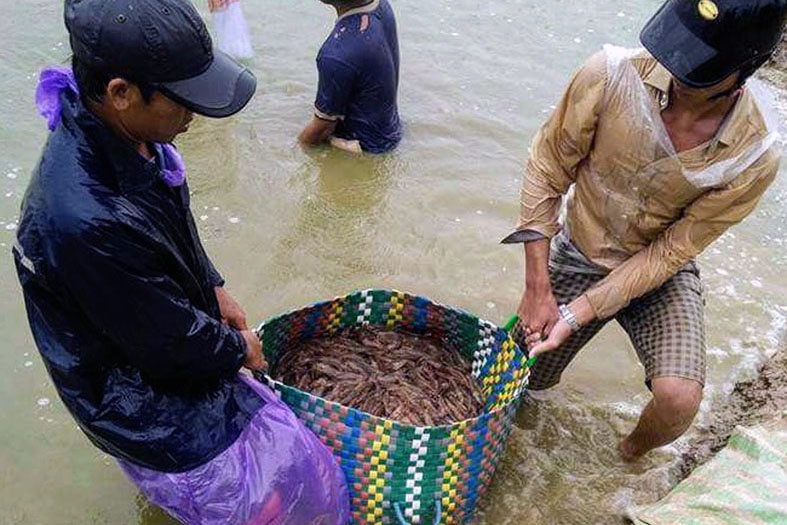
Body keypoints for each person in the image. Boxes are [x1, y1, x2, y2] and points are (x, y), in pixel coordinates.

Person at [14, 0, 348, 523]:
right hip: (131, 394)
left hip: (153, 331)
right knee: (278, 493)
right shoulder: (84, 220)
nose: (195, 114)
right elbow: (167, 345)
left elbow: (175, 226)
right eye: (182, 100)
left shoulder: (139, 137)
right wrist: (238, 347)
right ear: (121, 93)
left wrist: (214, 287)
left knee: (288, 464)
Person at [504, 0, 787, 461]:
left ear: (746, 70)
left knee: (678, 401)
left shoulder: (755, 154)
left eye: (698, 65)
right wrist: (538, 287)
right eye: (674, 46)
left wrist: (578, 313)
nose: (675, 67)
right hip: (579, 248)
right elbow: (546, 169)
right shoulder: (609, 74)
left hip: (659, 270)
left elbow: (673, 251)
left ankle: (625, 457)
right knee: (518, 378)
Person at [298, 0, 402, 154]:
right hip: (389, 130)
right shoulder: (380, 5)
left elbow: (322, 129)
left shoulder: (336, 54)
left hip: (363, 150)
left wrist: (294, 148)